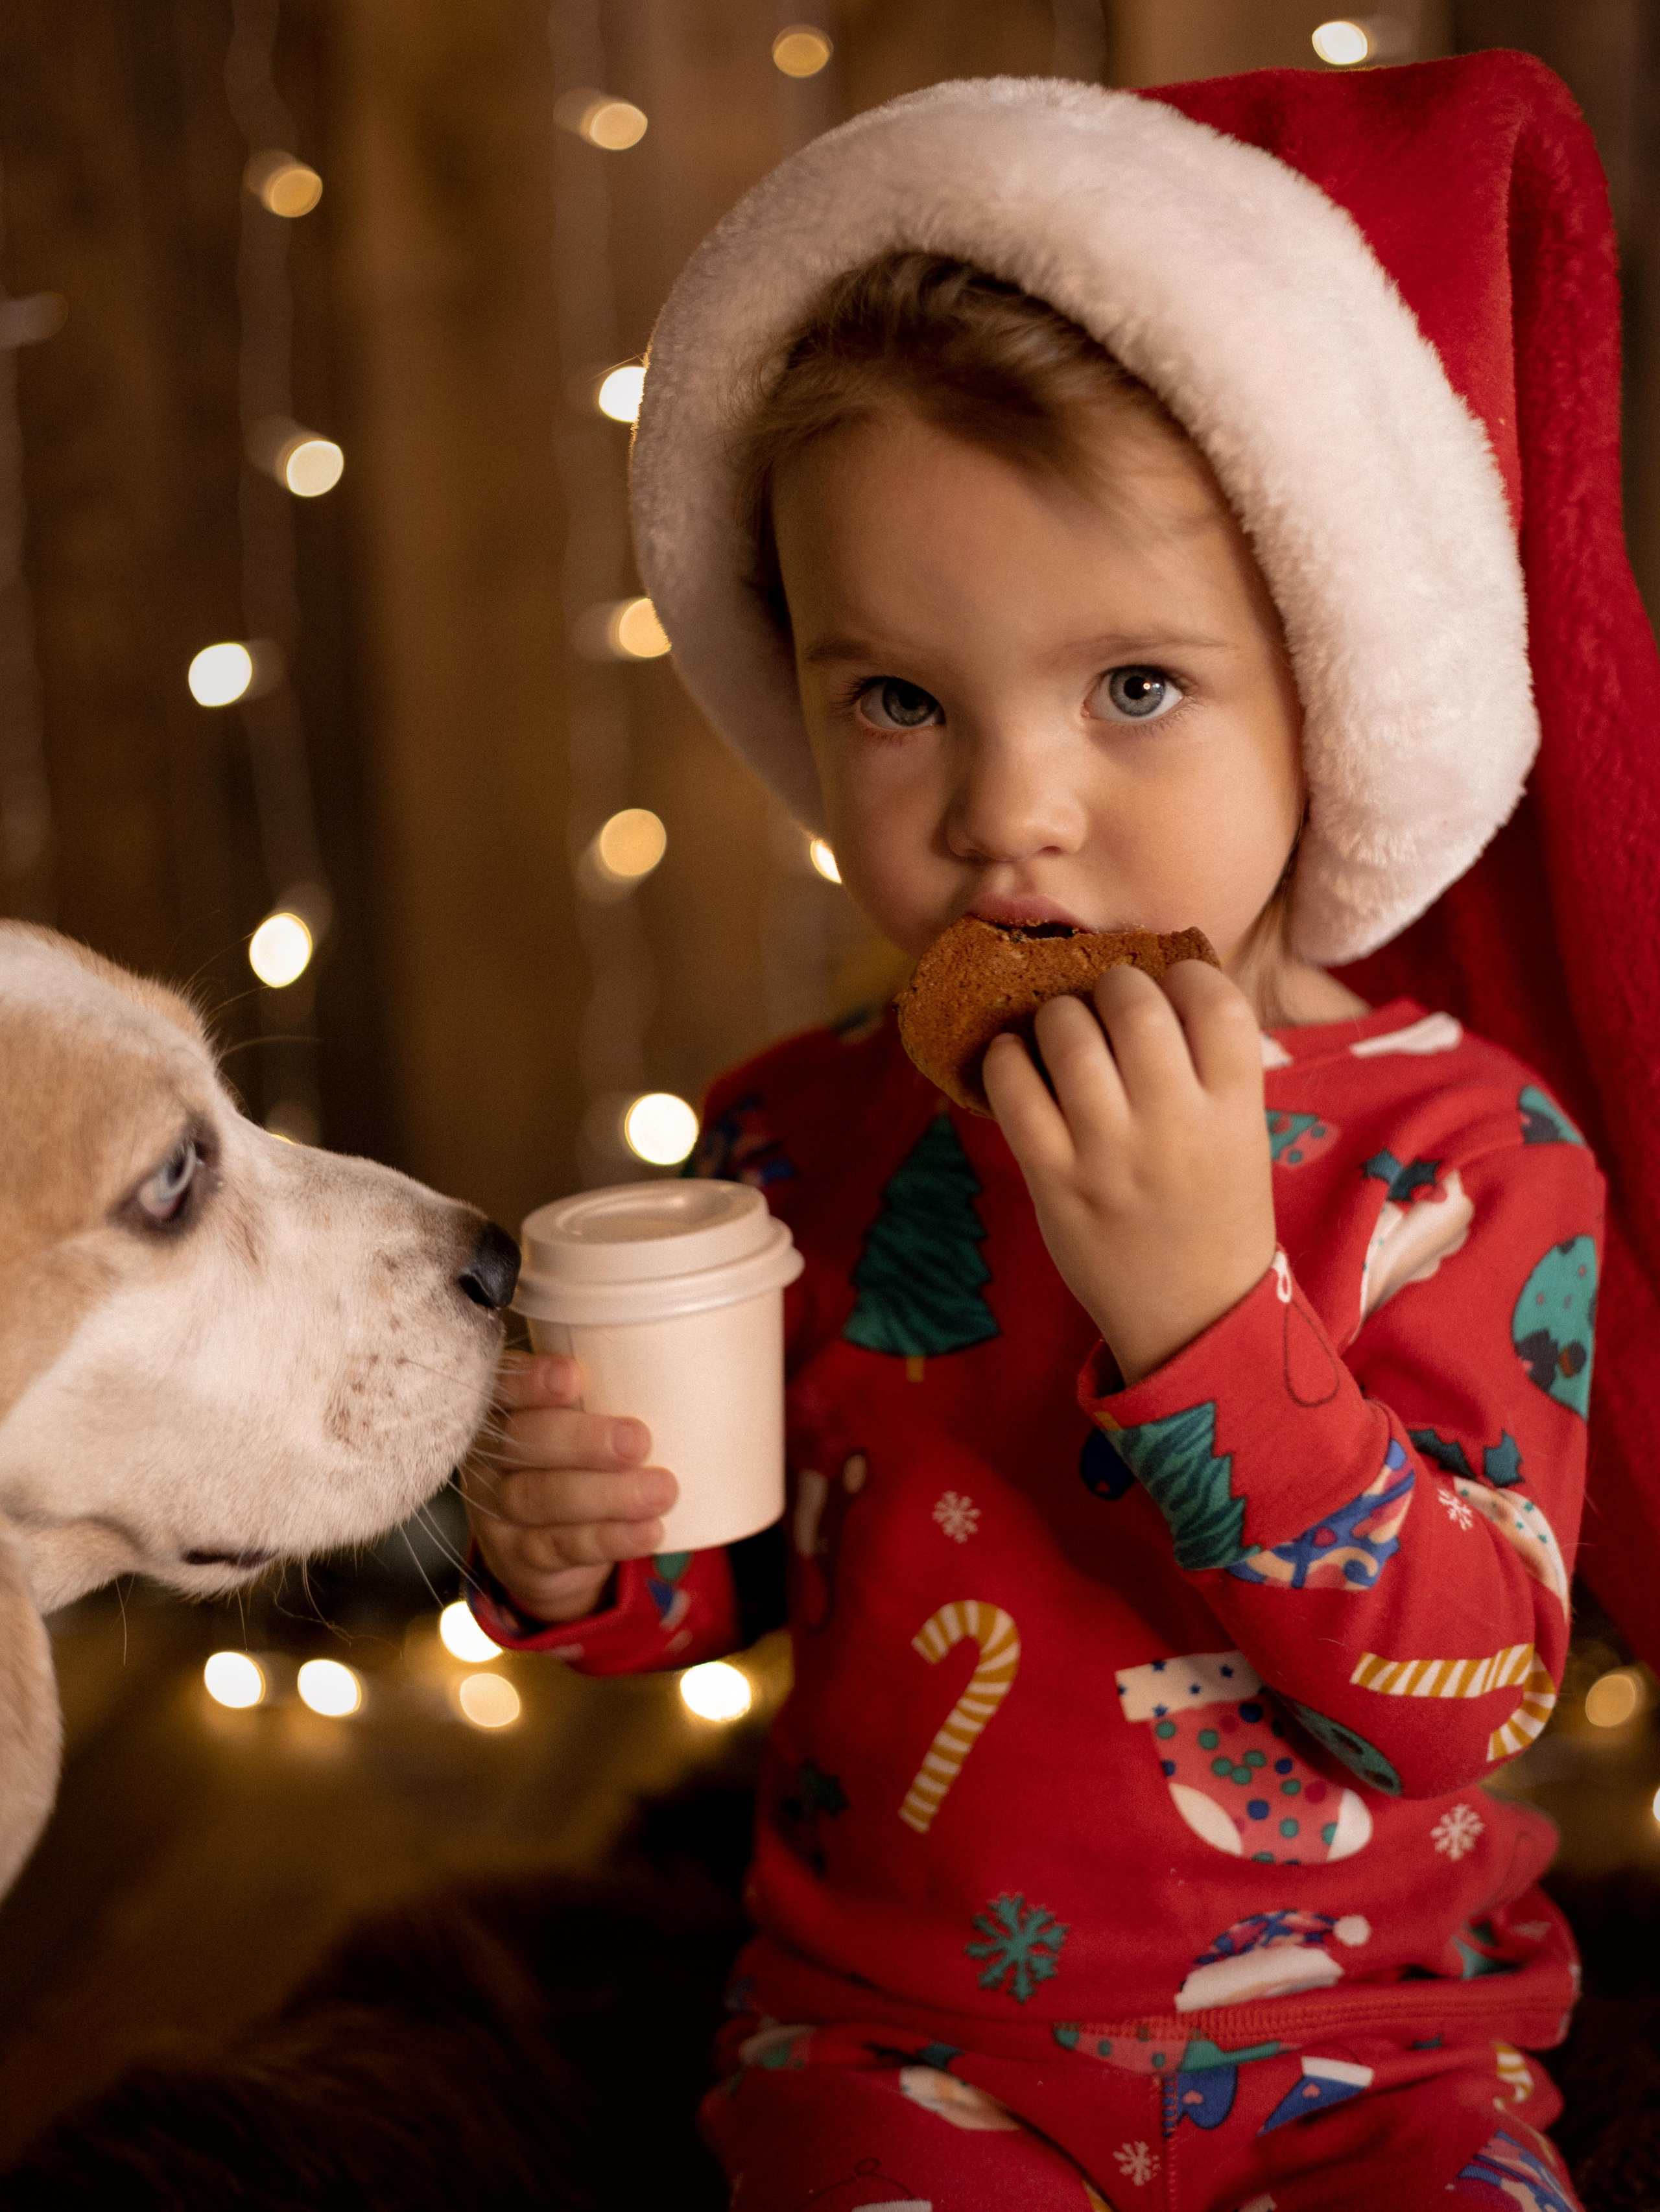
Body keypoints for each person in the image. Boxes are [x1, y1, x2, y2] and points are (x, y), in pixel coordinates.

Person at [464, 53, 1660, 2212]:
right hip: (905, 2057)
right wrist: (580, 1552)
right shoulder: (796, 1140)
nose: (1006, 808)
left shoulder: (1475, 1161)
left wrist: (1210, 1306)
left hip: (1378, 2054)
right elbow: (734, 1568)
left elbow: (1466, 1688)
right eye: (900, 698)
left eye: (1130, 688)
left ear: (1331, 681)